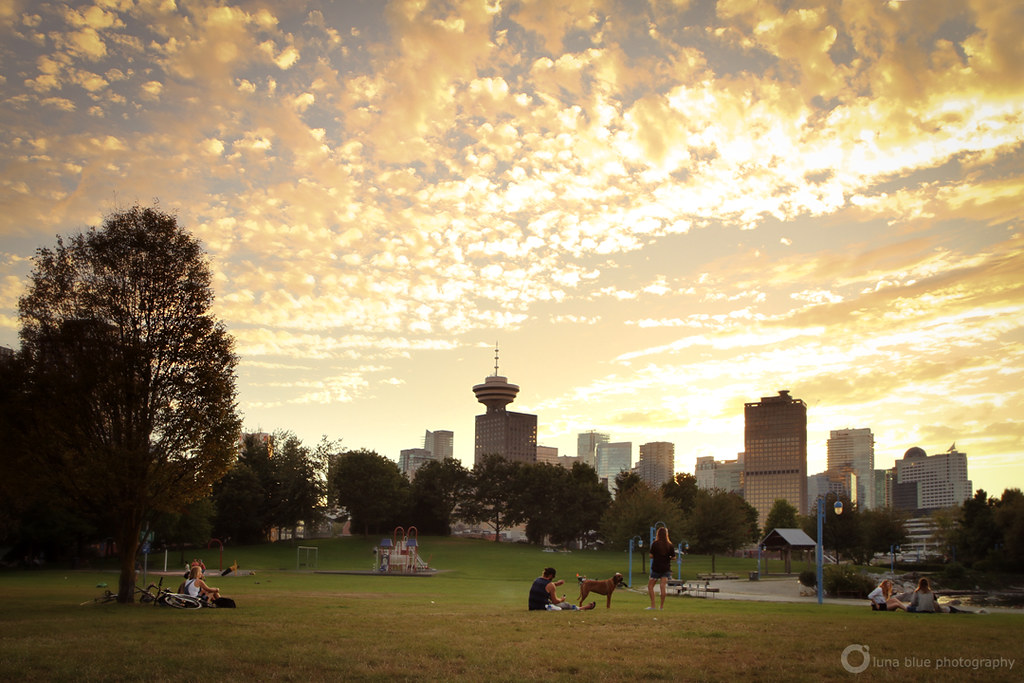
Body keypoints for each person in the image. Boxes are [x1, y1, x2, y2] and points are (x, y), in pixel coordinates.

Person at [528, 567, 595, 611]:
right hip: (542, 607)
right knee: (565, 605)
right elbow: (555, 601)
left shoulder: (537, 580)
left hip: (532, 606)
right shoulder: (551, 585)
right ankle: (583, 608)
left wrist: (556, 584)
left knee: (559, 605)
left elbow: (544, 587)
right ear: (551, 575)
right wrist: (561, 599)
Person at [647, 527, 677, 610]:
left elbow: (651, 555)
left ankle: (653, 605)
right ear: (666, 534)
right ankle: (661, 606)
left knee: (650, 586)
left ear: (658, 534)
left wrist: (657, 556)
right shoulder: (670, 545)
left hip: (656, 568)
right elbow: (674, 557)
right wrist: (668, 557)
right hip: (666, 568)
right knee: (662, 586)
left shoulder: (655, 544)